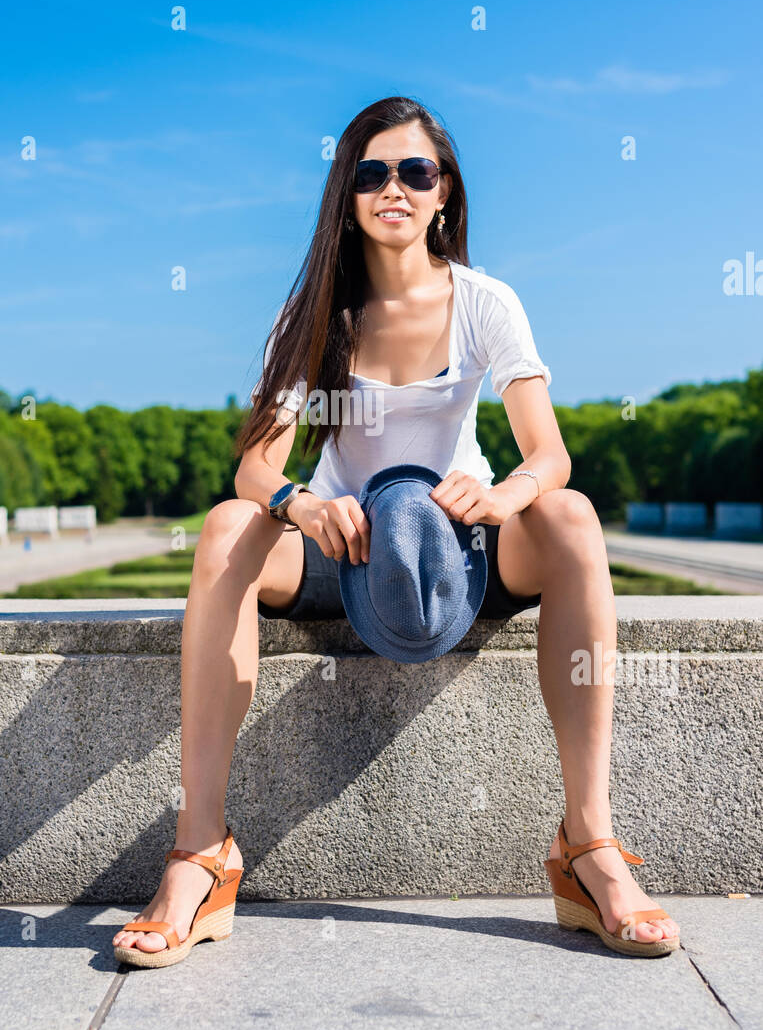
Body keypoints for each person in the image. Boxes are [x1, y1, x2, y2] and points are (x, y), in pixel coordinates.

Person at [112, 95, 679, 966]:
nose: (395, 188)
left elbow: (550, 457)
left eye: (416, 171)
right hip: (342, 551)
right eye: (371, 172)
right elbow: (255, 470)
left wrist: (503, 496)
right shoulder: (311, 314)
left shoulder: (484, 302)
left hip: (461, 551)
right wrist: (301, 501)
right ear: (347, 193)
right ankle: (201, 854)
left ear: (443, 191)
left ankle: (586, 847)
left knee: (566, 514)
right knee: (229, 526)